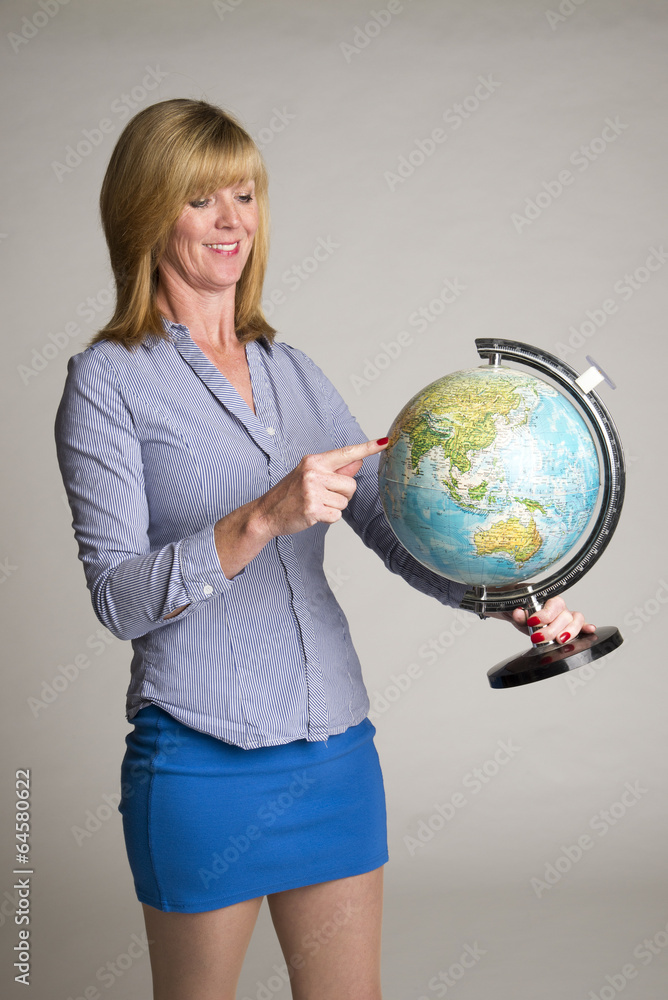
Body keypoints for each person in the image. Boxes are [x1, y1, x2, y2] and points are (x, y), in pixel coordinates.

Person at [55, 98, 594, 1000]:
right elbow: (116, 599)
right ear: (146, 211)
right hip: (199, 757)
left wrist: (514, 598)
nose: (233, 222)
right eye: (202, 200)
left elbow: (394, 526)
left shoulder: (293, 369)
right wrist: (258, 518)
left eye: (246, 195)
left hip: (335, 753)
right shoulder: (108, 381)